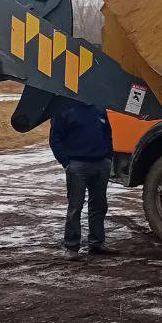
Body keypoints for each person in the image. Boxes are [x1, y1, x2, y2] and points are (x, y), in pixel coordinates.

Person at [49, 99, 114, 259]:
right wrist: (67, 163)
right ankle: (71, 247)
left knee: (99, 206)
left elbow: (107, 133)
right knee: (75, 207)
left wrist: (108, 157)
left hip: (101, 164)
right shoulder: (64, 110)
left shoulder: (99, 107)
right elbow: (55, 139)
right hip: (77, 166)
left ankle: (97, 243)